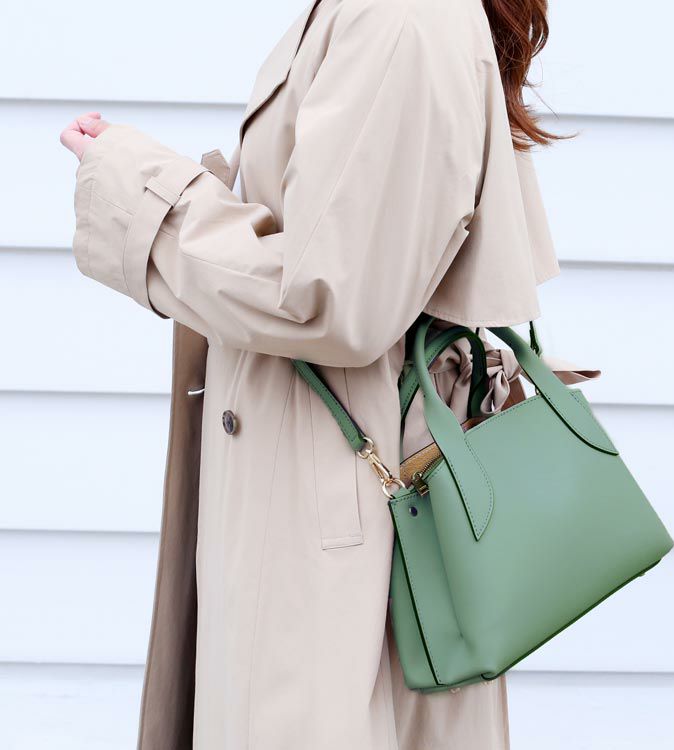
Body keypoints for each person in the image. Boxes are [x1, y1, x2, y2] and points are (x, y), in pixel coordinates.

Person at [60, 0, 561, 747]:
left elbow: (334, 299)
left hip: (331, 504)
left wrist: (146, 202)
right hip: (329, 482)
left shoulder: (400, 19)